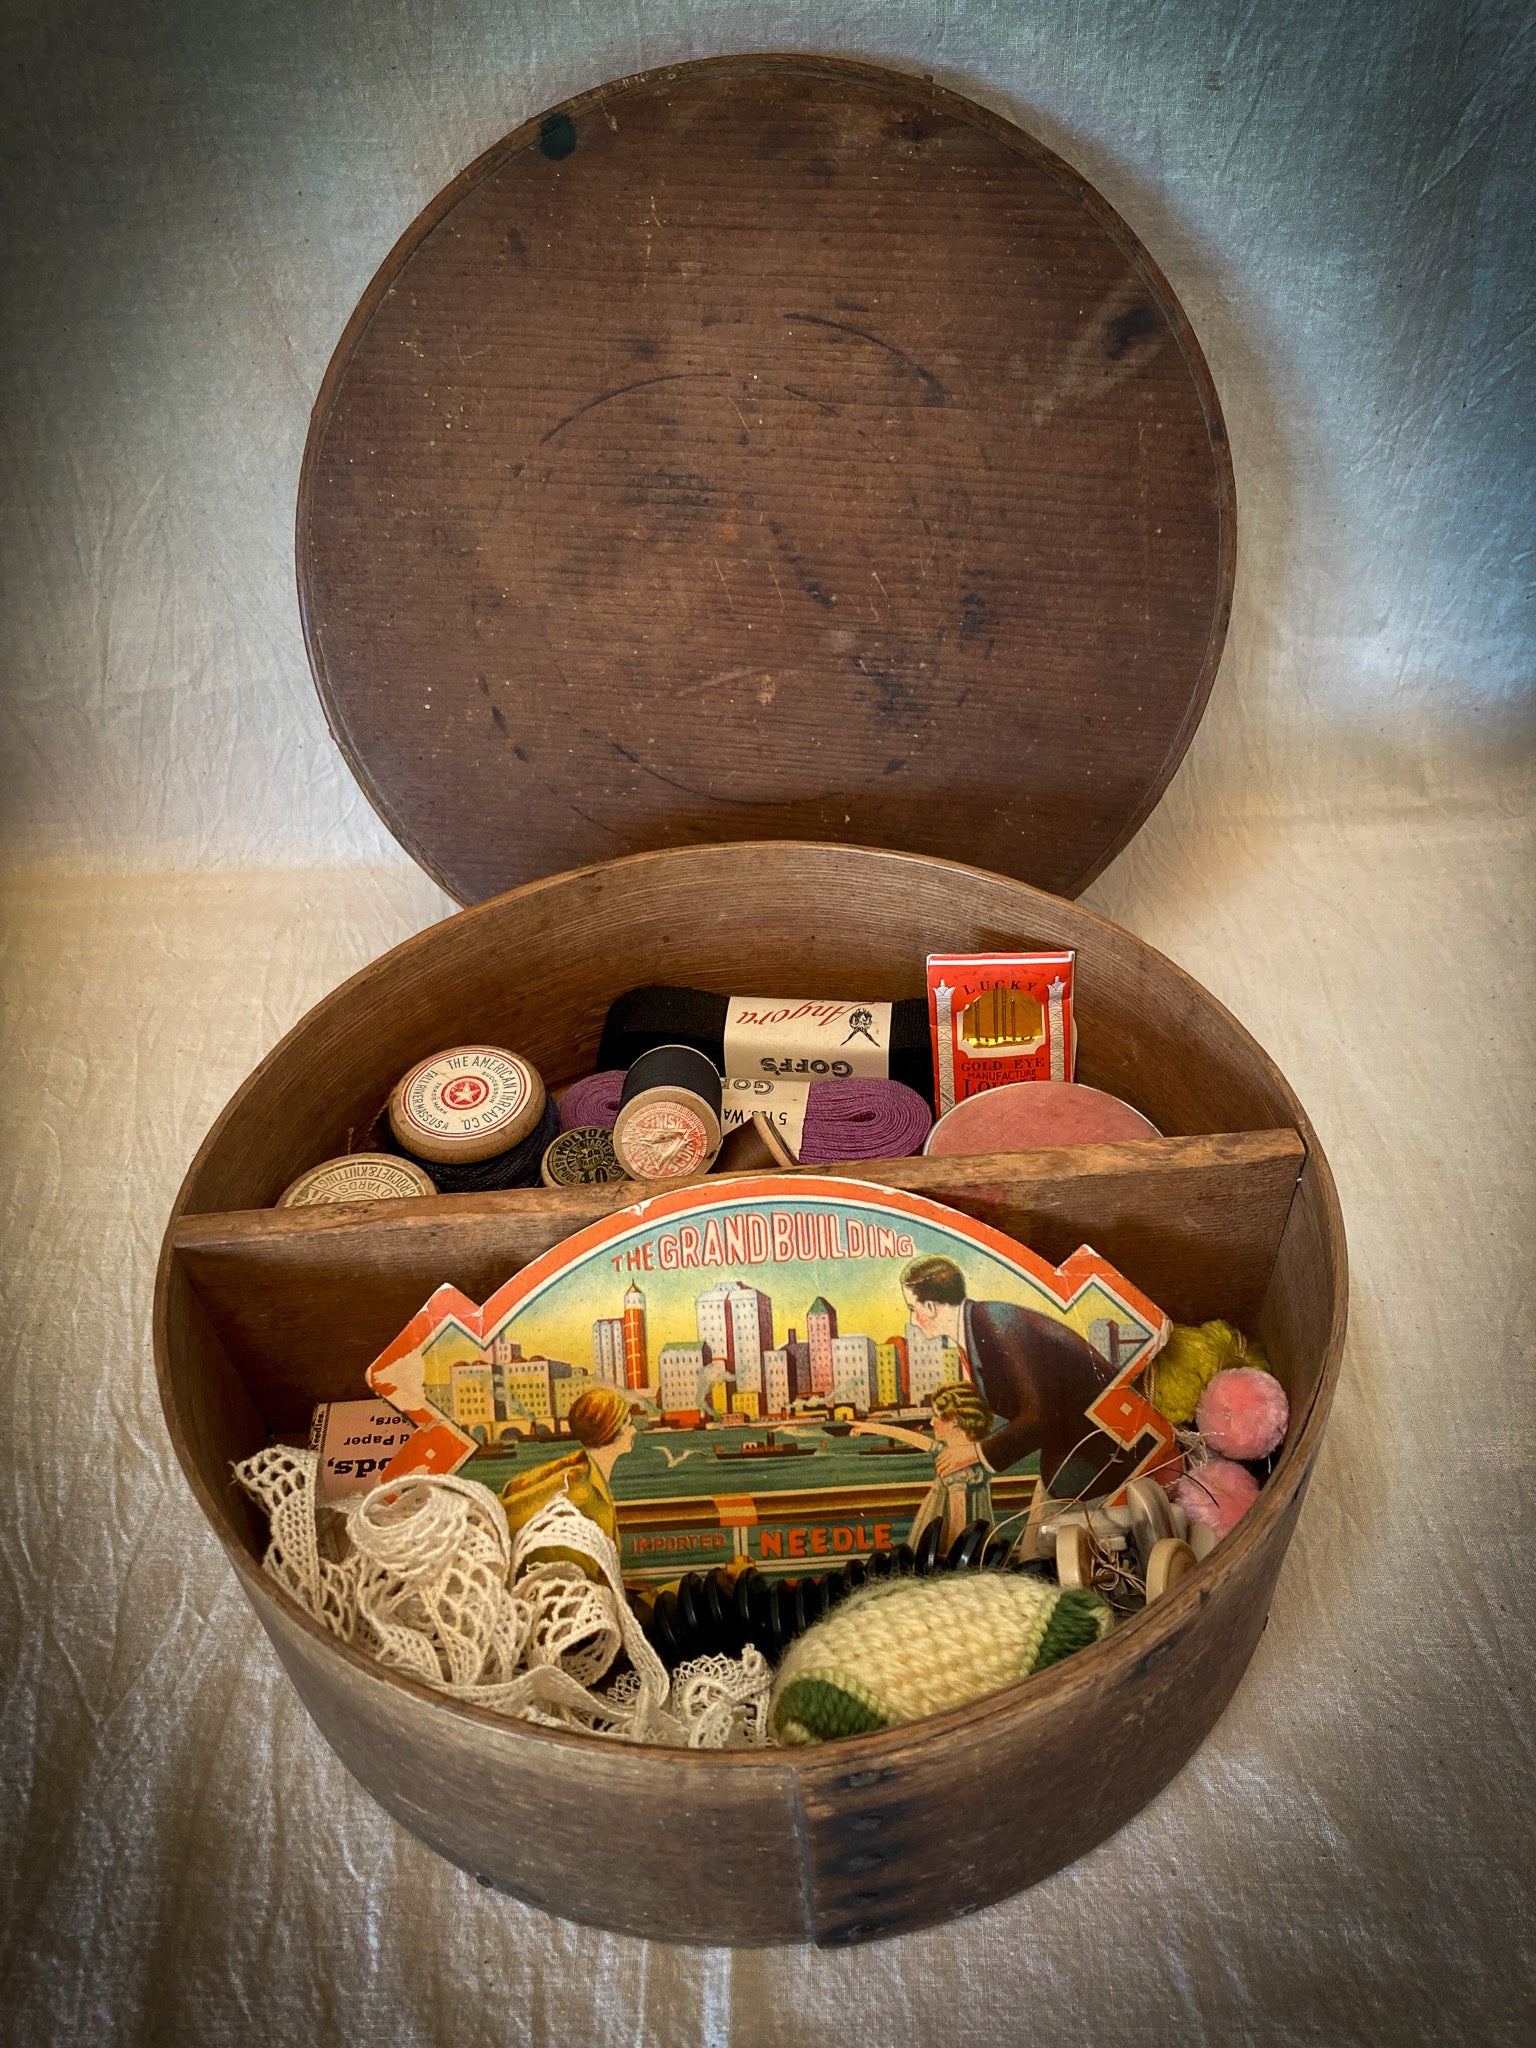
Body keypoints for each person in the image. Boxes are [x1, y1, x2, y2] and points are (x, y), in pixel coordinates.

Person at [900, 1253, 1128, 1500]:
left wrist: (975, 1453)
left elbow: (1039, 1414)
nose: (912, 1319)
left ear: (931, 1307)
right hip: (1077, 1456)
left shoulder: (995, 1322)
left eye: (912, 1309)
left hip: (1106, 1455)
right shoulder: (976, 1328)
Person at [499, 1384, 637, 1569]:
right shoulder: (581, 1490)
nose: (634, 1431)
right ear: (610, 1431)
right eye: (628, 1424)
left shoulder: (583, 1469)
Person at [906, 1380, 995, 1553]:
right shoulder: (966, 1455)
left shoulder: (954, 1466)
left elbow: (958, 1522)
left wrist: (951, 1558)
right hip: (978, 1538)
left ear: (954, 1421)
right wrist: (867, 1427)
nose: (932, 1422)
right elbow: (915, 1439)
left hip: (952, 1545)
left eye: (937, 1416)